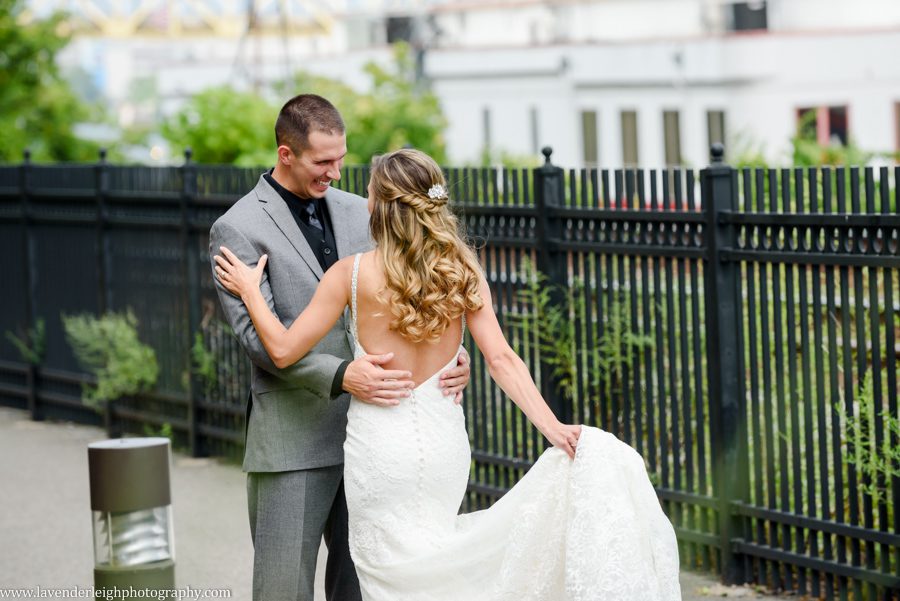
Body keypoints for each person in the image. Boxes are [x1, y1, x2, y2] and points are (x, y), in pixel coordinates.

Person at [214, 148, 681, 600]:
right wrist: (553, 428)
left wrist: (252, 292)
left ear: (381, 204)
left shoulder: (351, 275)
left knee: (392, 577)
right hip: (442, 446)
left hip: (381, 449)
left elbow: (280, 348)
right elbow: (502, 359)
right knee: (440, 559)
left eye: (372, 191)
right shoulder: (462, 269)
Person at [208, 96, 471, 601]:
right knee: (282, 591)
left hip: (378, 442)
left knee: (368, 590)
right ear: (286, 154)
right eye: (323, 162)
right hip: (293, 441)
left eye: (341, 158)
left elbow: (416, 292)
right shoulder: (237, 227)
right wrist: (341, 374)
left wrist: (451, 356)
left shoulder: (363, 209)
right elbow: (259, 341)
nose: (336, 171)